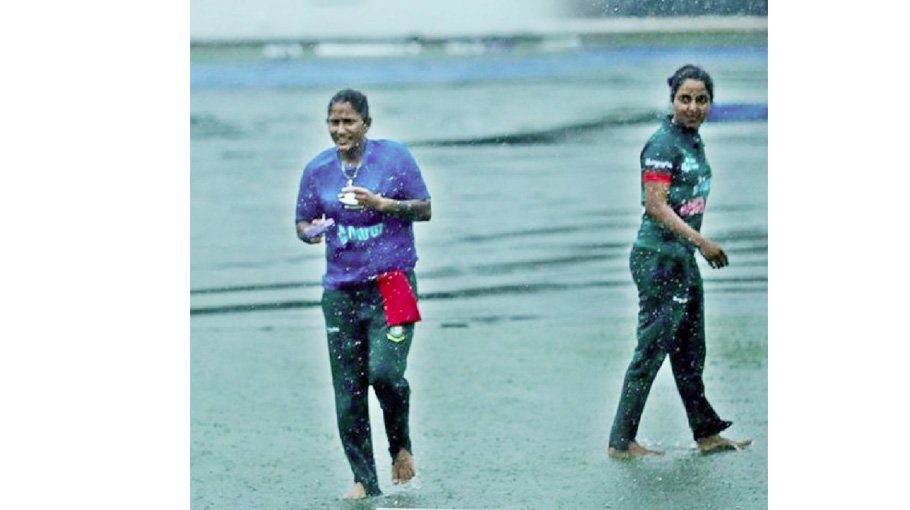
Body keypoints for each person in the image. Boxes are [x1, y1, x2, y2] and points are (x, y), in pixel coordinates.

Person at [607, 65, 752, 458]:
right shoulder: (662, 145)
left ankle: (706, 433)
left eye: (701, 100)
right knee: (650, 352)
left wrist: (693, 248)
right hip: (657, 260)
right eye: (684, 99)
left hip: (682, 259)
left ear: (710, 103)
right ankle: (621, 442)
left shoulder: (693, 142)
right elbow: (656, 207)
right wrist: (701, 241)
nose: (692, 107)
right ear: (672, 100)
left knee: (691, 351)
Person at [295, 89, 432, 498]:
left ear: (366, 124)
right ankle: (364, 481)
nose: (341, 130)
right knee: (348, 391)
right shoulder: (317, 170)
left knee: (386, 374)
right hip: (341, 292)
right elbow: (301, 223)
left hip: (394, 284)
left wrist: (381, 203)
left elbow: (424, 208)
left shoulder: (394, 158)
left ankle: (400, 446)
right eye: (334, 122)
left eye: (349, 122)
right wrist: (312, 232)